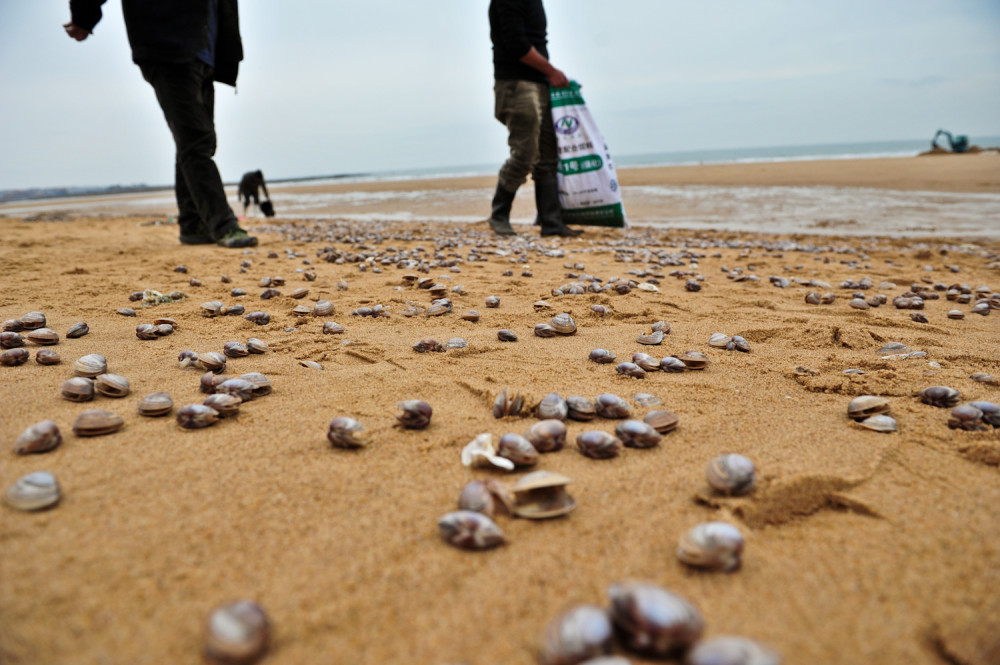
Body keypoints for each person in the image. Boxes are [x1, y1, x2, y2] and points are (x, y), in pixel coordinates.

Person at [64, 0, 258, 248]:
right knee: (198, 141)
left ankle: (193, 224)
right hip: (167, 45)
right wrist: (84, 16)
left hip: (206, 51)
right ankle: (224, 226)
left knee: (193, 141)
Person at [488, 0, 580, 238]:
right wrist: (552, 71)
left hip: (540, 83)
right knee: (525, 153)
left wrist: (547, 76)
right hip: (516, 84)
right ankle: (499, 215)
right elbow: (516, 44)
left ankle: (551, 222)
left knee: (548, 153)